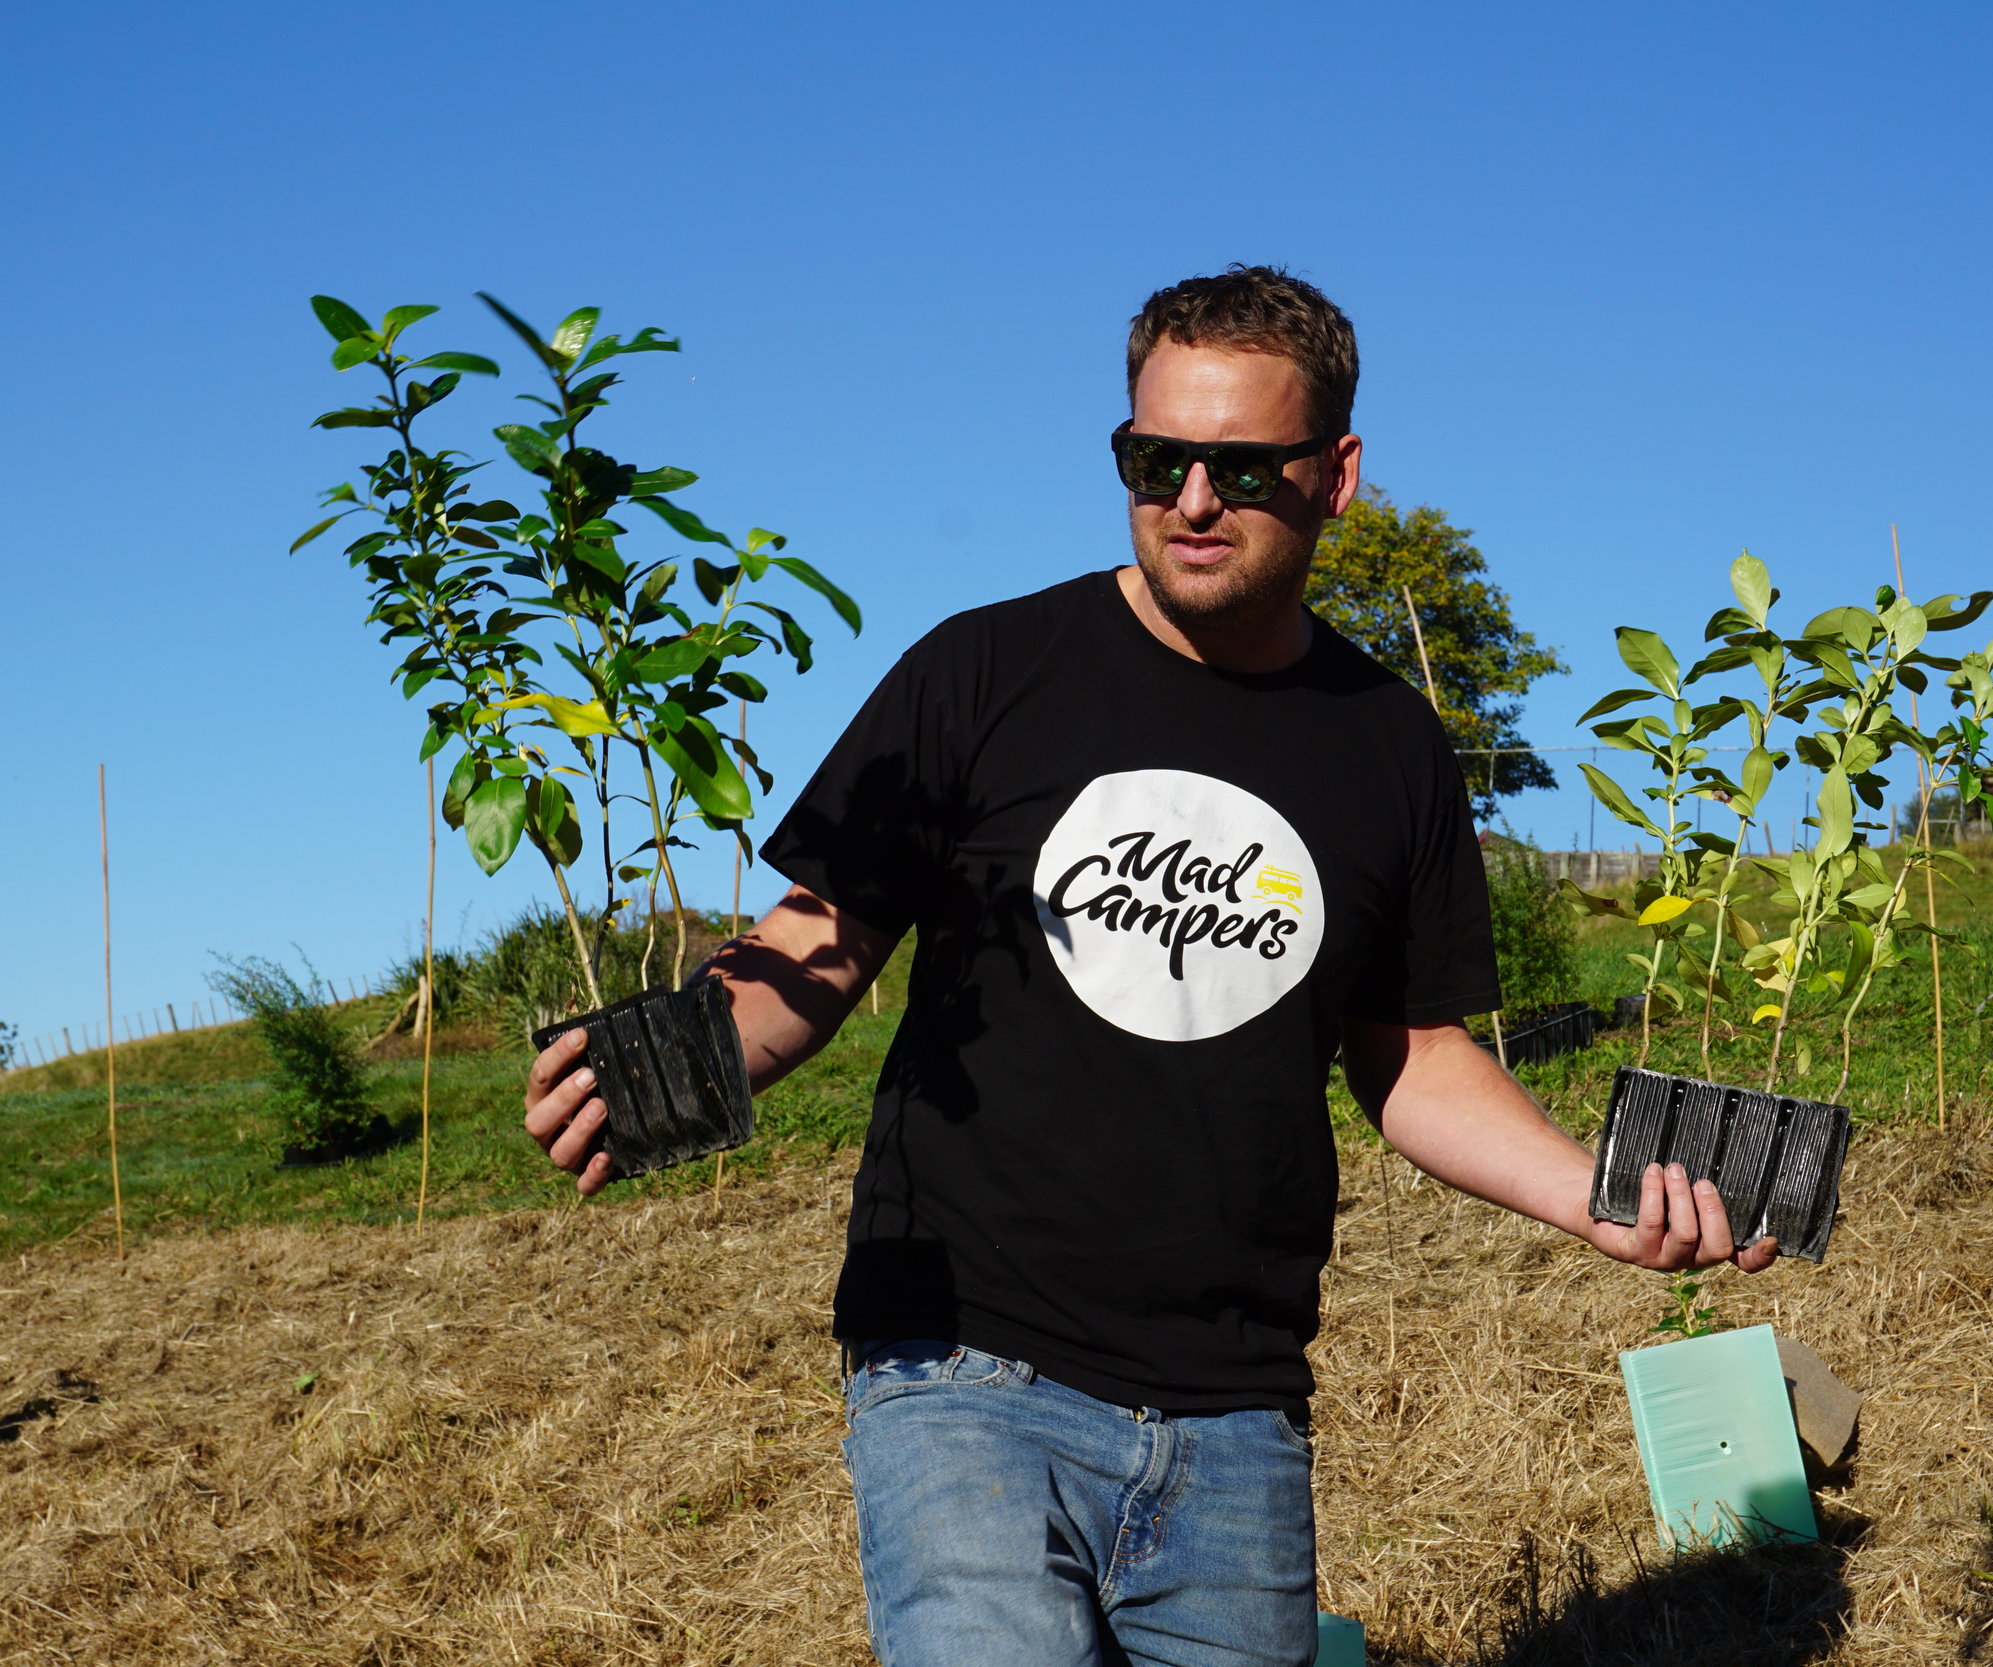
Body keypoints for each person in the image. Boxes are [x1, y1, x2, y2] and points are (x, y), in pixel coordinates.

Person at [522, 265, 1776, 1667]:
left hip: (1237, 1412)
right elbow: (825, 934)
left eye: (1241, 467)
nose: (1191, 499)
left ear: (1337, 473)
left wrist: (1594, 1201)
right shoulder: (985, 674)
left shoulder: (1390, 749)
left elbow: (1410, 1054)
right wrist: (679, 1056)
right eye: (1153, 458)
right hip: (962, 1367)